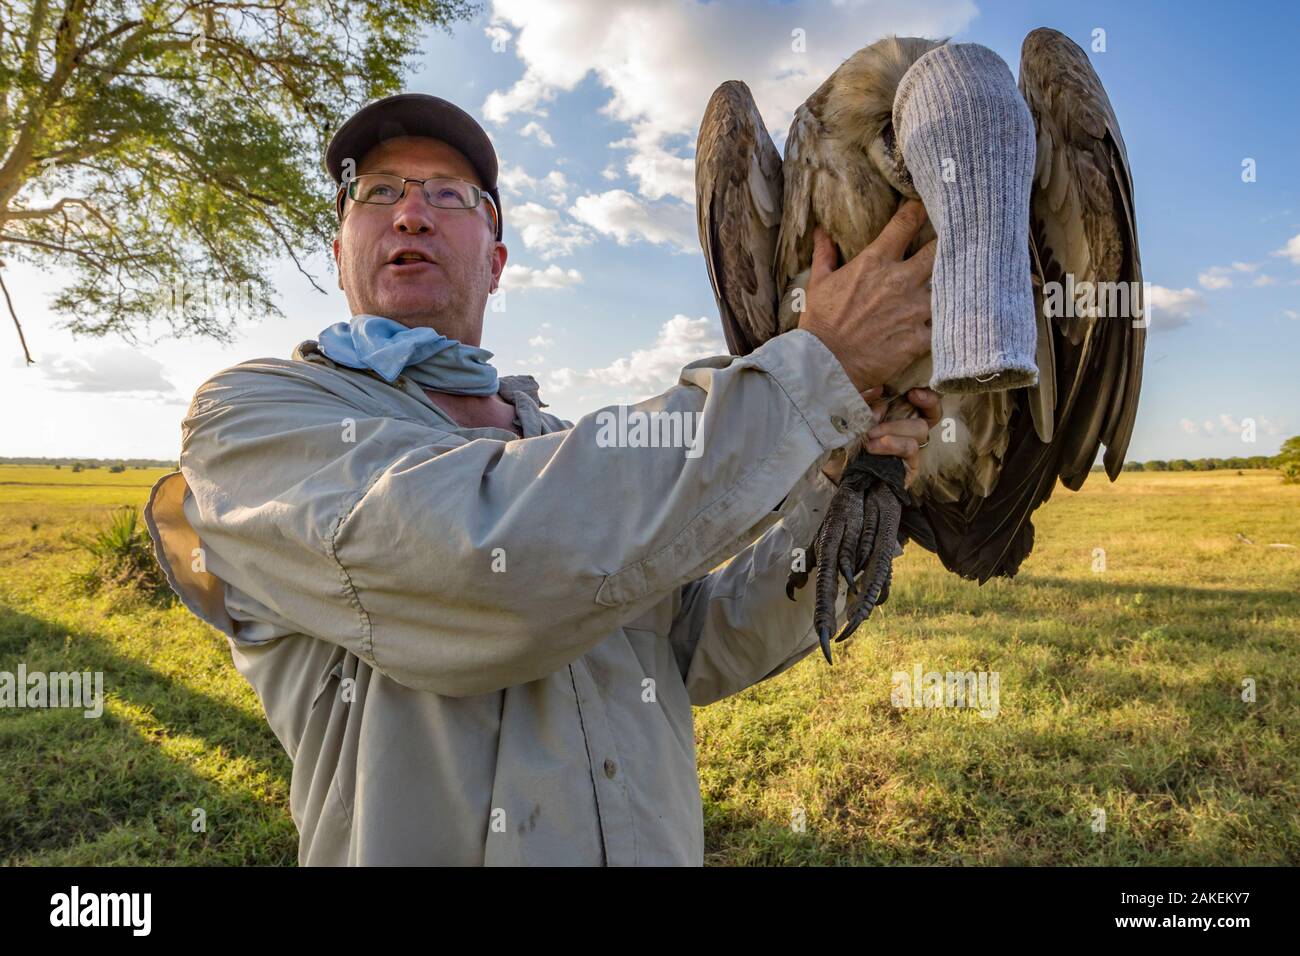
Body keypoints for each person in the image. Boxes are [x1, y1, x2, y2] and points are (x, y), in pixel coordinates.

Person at [144, 93, 941, 865]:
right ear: (339, 252)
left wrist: (840, 489)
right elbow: (488, 560)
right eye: (376, 192)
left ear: (494, 263)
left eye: (449, 195)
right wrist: (814, 371)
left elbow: (698, 644)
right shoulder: (252, 417)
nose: (411, 213)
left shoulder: (557, 445)